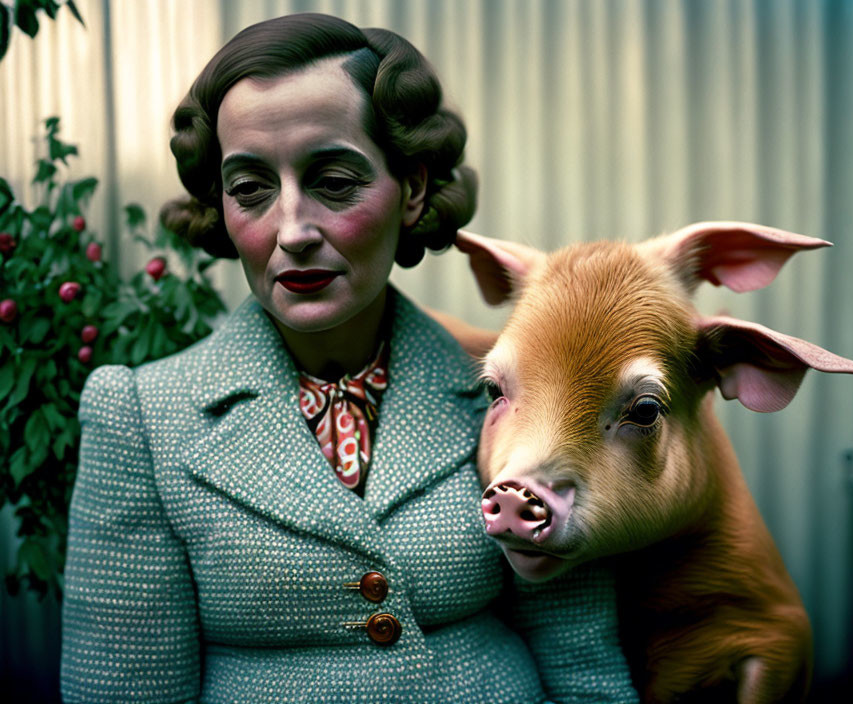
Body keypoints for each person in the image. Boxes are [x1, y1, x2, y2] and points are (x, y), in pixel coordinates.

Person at [60, 13, 637, 703]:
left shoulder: (512, 398)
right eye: (250, 190)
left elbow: (581, 661)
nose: (294, 230)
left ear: (414, 188)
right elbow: (125, 690)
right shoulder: (142, 418)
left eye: (334, 181)